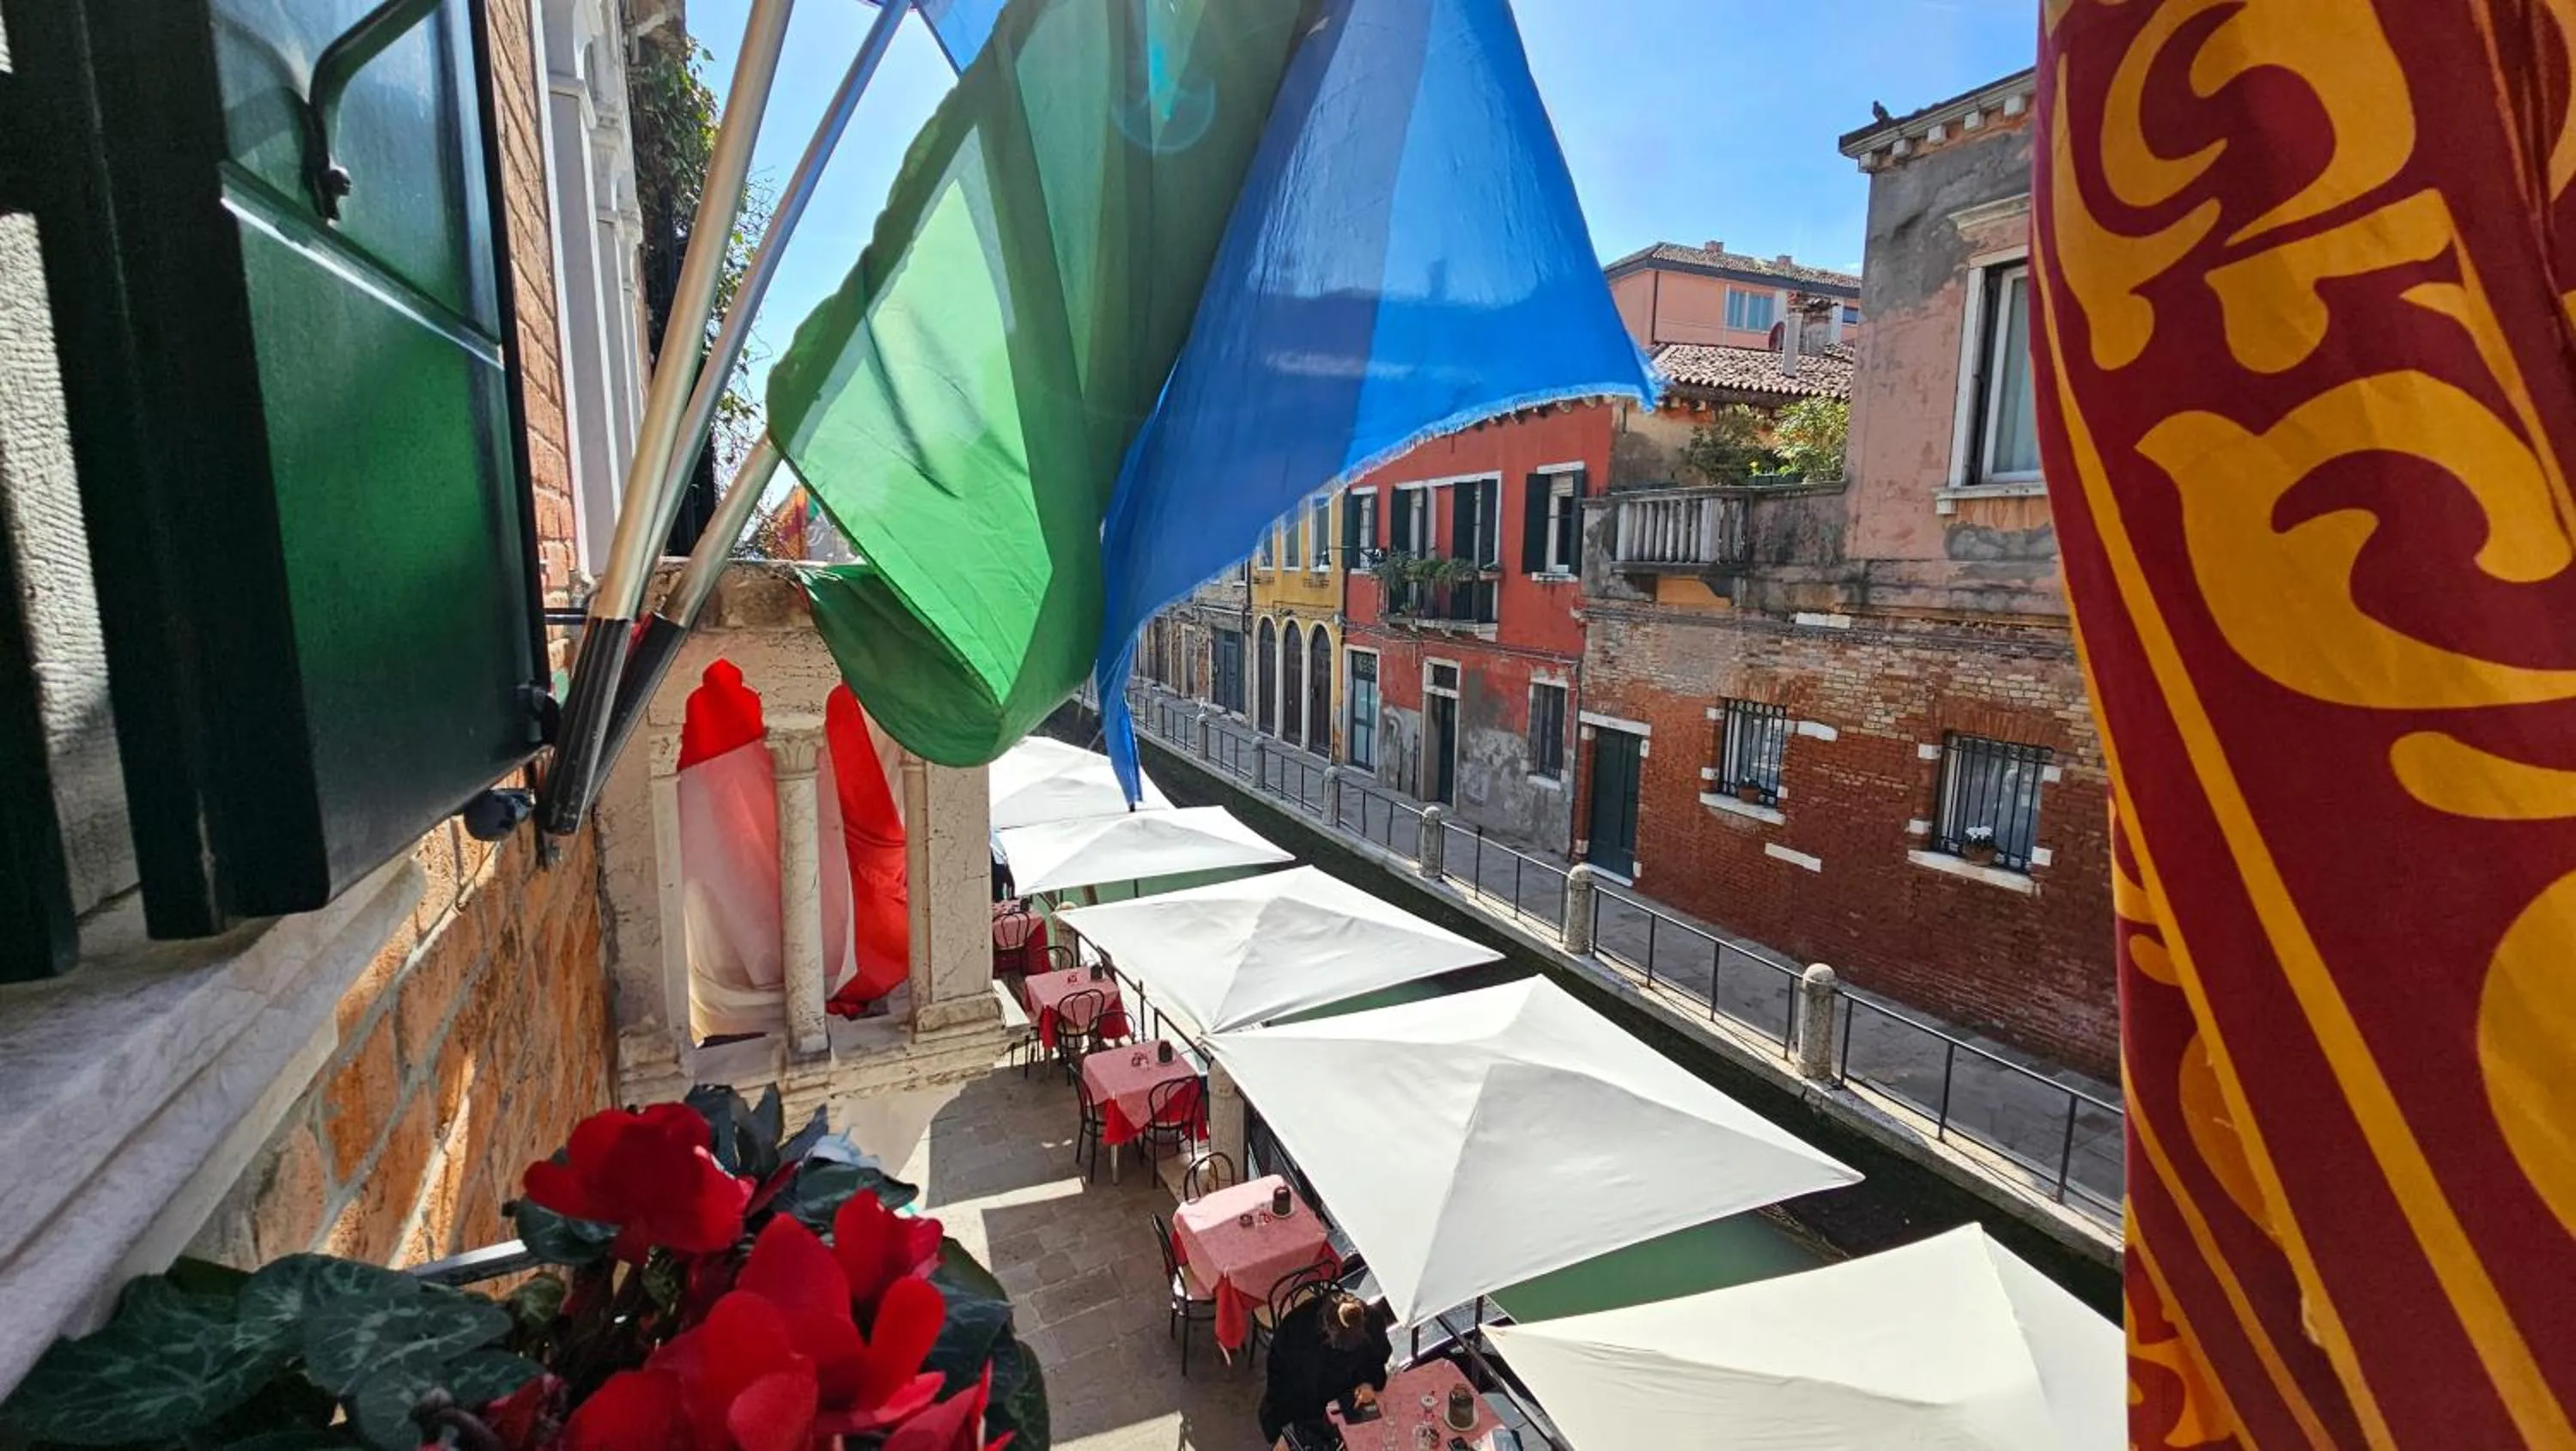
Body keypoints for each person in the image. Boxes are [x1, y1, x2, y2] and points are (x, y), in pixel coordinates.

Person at [1260, 1289, 1393, 1448]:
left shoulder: (1373, 1322)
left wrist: (1368, 1382)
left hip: (1347, 1399)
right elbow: (1279, 1375)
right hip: (1304, 1402)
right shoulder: (1297, 1327)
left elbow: (1378, 1358)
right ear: (1325, 1328)